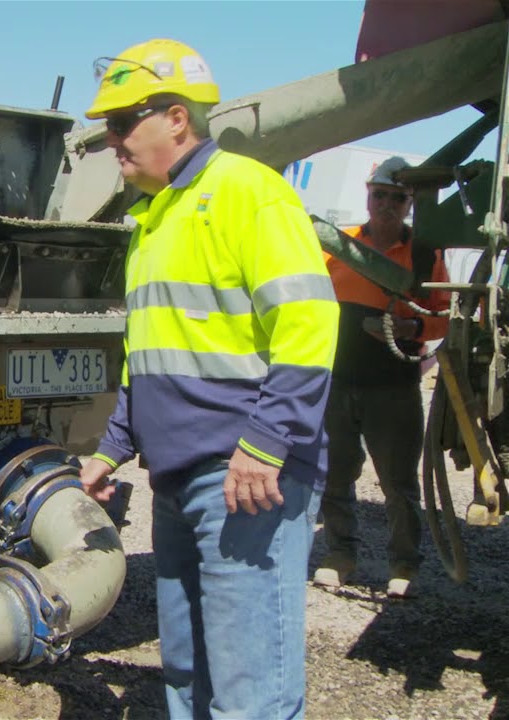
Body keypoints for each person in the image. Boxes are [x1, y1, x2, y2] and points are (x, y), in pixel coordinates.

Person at [77, 39, 339, 719]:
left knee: (249, 692)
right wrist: (111, 449)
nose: (110, 142)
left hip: (243, 478)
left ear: (176, 118)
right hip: (177, 477)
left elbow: (309, 325)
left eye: (121, 123)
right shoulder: (152, 221)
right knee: (188, 673)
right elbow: (151, 354)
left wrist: (266, 444)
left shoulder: (249, 192)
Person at [314, 157, 450, 599]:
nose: (387, 204)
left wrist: (409, 327)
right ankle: (340, 556)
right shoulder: (340, 245)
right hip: (337, 380)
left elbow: (443, 315)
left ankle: (404, 564)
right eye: (380, 195)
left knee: (398, 483)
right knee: (335, 475)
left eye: (398, 198)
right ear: (368, 196)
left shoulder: (425, 254)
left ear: (410, 204)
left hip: (393, 385)